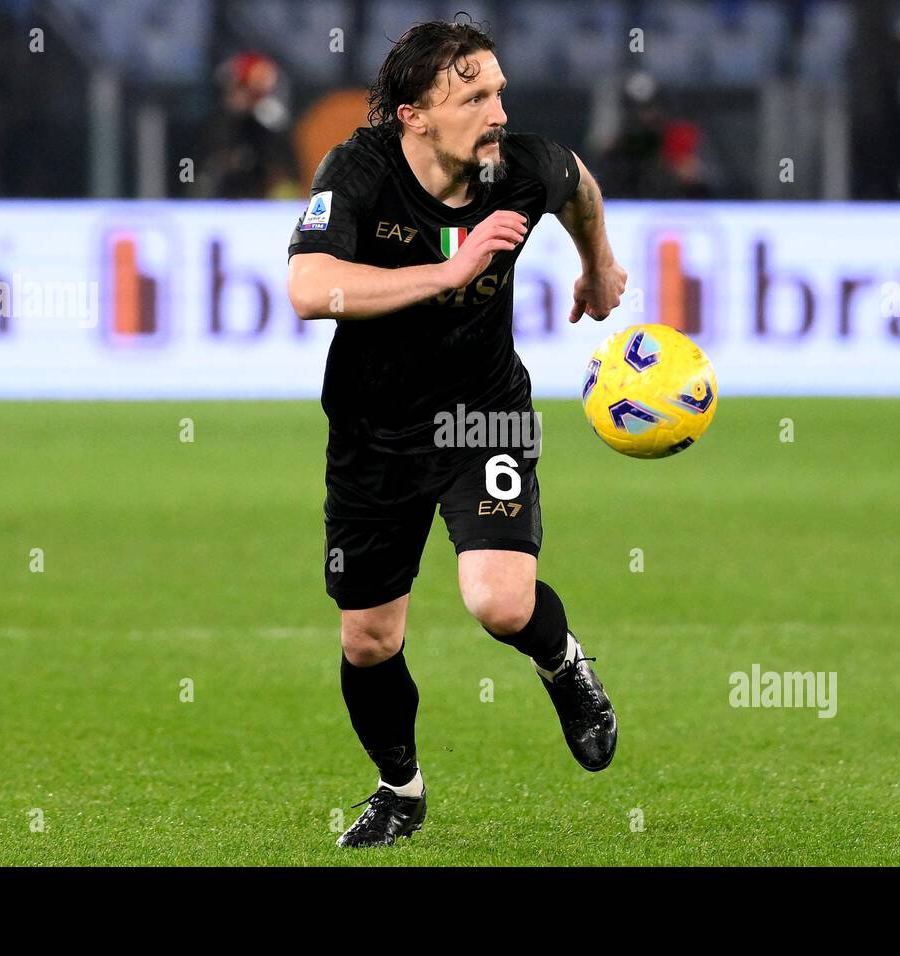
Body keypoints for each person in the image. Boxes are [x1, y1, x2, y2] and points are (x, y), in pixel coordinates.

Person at [286, 17, 627, 848]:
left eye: (499, 90)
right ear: (414, 115)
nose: (497, 109)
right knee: (370, 639)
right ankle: (399, 789)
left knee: (500, 603)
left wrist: (597, 263)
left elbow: (579, 181)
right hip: (375, 428)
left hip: (483, 412)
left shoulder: (521, 167)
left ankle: (565, 665)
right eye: (473, 96)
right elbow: (307, 287)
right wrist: (447, 269)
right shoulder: (358, 170)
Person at [195, 52, 300, 199]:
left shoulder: (272, 128)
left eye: (240, 88)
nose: (233, 95)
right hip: (221, 203)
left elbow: (286, 175)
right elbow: (209, 167)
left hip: (264, 206)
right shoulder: (220, 125)